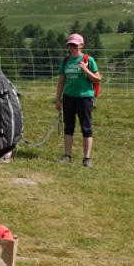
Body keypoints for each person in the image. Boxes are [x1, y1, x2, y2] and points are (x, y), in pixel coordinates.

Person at [56, 32, 100, 168]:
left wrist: (85, 69)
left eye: (75, 45)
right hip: (68, 97)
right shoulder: (66, 61)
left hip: (85, 98)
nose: (73, 47)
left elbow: (97, 79)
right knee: (68, 127)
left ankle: (87, 158)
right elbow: (61, 81)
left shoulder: (88, 60)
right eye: (71, 45)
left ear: (81, 45)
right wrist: (58, 99)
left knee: (86, 127)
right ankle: (67, 155)